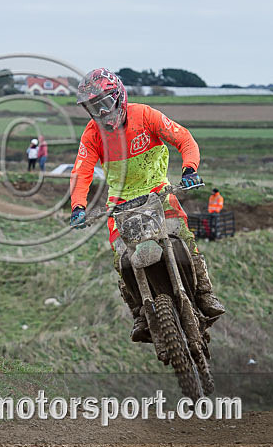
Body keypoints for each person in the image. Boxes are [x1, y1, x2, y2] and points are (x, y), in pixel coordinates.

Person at [68, 68, 225, 343]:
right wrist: (78, 207)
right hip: (120, 203)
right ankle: (139, 312)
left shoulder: (145, 115)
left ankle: (204, 293)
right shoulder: (92, 134)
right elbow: (82, 171)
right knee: (121, 259)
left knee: (185, 238)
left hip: (158, 192)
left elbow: (183, 138)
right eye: (93, 108)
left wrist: (189, 169)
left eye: (105, 104)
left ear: (119, 97)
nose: (101, 113)